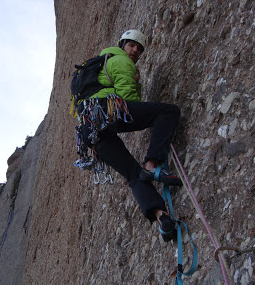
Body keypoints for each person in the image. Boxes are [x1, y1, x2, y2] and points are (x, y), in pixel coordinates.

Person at [78, 29, 182, 242]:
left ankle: (161, 217)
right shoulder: (121, 61)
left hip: (90, 130)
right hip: (108, 112)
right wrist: (135, 79)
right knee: (168, 112)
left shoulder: (101, 65)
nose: (135, 51)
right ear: (122, 44)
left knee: (134, 175)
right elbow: (128, 101)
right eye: (132, 45)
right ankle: (152, 165)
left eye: (139, 49)